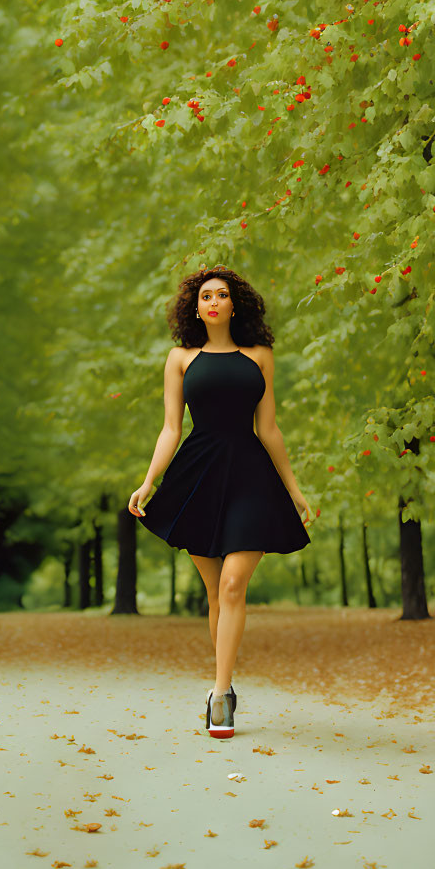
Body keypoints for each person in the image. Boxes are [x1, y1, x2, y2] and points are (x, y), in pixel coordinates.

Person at [128, 266, 312, 738]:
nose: (213, 301)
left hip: (251, 474)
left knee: (233, 585)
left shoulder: (261, 356)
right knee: (214, 593)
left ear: (235, 305)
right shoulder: (179, 359)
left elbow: (268, 427)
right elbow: (171, 428)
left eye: (222, 294)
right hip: (199, 475)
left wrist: (293, 489)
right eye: (205, 295)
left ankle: (221, 694)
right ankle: (220, 689)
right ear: (196, 307)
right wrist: (149, 482)